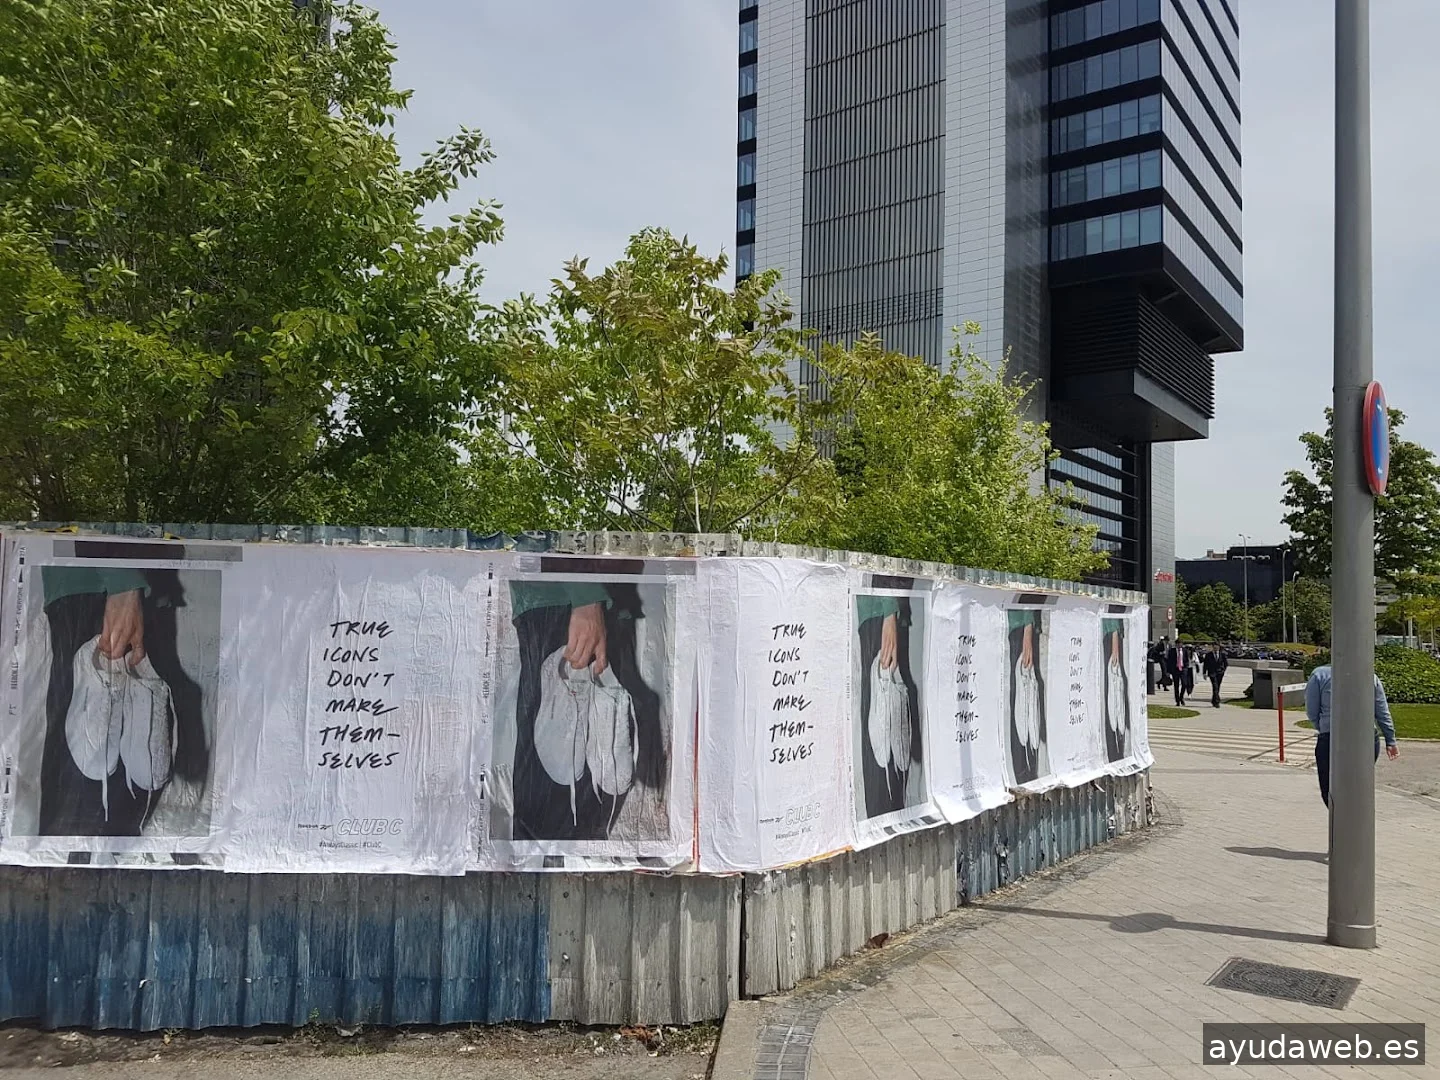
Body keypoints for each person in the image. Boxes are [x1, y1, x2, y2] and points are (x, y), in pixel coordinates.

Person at [39, 566, 204, 837]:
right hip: (95, 584)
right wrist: (124, 581)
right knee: (76, 807)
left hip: (146, 585)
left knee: (132, 795)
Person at [509, 579, 665, 841]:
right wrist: (586, 597)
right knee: (546, 817)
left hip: (606, 600)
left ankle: (578, 856)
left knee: (594, 808)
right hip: (566, 600)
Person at [856, 589, 923, 818]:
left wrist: (889, 613)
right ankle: (886, 819)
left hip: (882, 612)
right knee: (880, 734)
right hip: (877, 611)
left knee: (890, 709)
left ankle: (892, 817)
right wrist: (889, 612)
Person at [1304, 663, 1399, 808]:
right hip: (1366, 738)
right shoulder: (1370, 677)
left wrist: (1324, 727)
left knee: (1330, 789)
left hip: (1331, 738)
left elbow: (1312, 710)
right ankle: (1355, 818)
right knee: (1357, 786)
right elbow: (1382, 711)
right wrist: (1390, 740)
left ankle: (1340, 818)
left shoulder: (1319, 675)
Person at [1202, 644, 1228, 709]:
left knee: (1218, 686)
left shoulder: (1222, 654)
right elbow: (1205, 664)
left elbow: (1226, 663)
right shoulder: (1208, 655)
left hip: (1220, 673)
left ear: (1219, 647)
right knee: (1215, 686)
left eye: (1217, 647)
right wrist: (1204, 673)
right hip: (1212, 673)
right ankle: (1217, 702)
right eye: (1214, 647)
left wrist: (1223, 670)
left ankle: (1214, 700)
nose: (1215, 648)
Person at [1164, 639, 1189, 706]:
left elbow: (1186, 659)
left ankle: (1181, 697)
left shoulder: (1184, 650)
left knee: (1184, 684)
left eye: (1180, 644)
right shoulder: (1172, 651)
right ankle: (1177, 700)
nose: (1179, 645)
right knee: (1176, 685)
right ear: (1176, 644)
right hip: (1175, 669)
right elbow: (1169, 662)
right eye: (1178, 644)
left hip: (1183, 669)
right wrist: (1168, 671)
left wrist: (1186, 667)